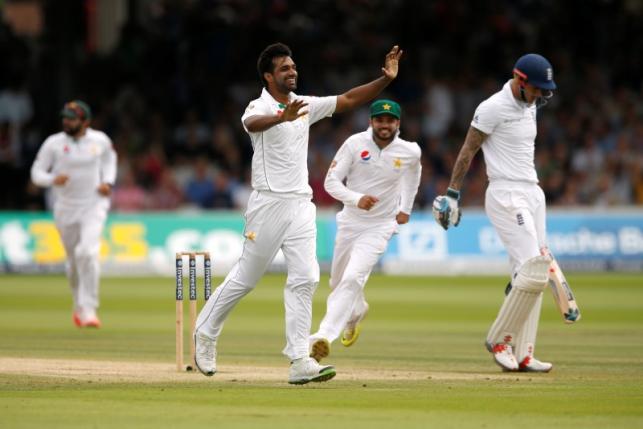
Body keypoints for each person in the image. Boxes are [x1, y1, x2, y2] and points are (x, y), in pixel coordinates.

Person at [193, 42, 403, 385]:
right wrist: (280, 116)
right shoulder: (258, 105)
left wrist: (385, 80)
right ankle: (205, 332)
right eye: (285, 69)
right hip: (267, 204)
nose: (293, 72)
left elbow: (348, 99)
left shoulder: (304, 105)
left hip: (301, 206)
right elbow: (252, 124)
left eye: (293, 67)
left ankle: (298, 360)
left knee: (306, 277)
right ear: (268, 76)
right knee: (246, 277)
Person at [432, 53, 557, 372]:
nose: (542, 95)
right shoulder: (492, 107)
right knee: (532, 268)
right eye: (538, 88)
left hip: (533, 192)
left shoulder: (530, 107)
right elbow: (468, 149)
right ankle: (500, 340)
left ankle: (525, 352)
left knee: (533, 272)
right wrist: (453, 193)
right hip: (505, 193)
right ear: (521, 81)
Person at [308, 99, 421, 363]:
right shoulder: (354, 144)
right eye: (380, 120)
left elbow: (413, 176)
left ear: (398, 123)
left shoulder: (410, 151)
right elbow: (330, 182)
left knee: (353, 278)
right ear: (371, 122)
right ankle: (356, 312)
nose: (385, 125)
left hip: (380, 226)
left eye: (390, 120)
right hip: (350, 221)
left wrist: (406, 207)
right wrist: (355, 198)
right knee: (337, 283)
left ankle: (323, 335)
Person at [30, 100, 117, 328]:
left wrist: (108, 182)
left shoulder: (100, 140)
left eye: (72, 118)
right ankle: (78, 305)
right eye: (65, 118)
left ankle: (89, 309)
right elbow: (36, 172)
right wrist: (52, 179)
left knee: (87, 252)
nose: (66, 122)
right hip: (65, 206)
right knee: (73, 259)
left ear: (85, 121)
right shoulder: (54, 143)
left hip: (94, 204)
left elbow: (110, 161)